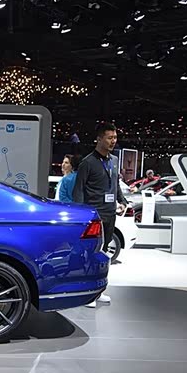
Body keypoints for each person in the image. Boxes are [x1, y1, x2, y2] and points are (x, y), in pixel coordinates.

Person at [73, 122, 127, 307]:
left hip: (110, 214)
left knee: (104, 254)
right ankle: (86, 293)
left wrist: (122, 200)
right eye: (110, 138)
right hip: (93, 216)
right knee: (90, 254)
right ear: (99, 139)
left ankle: (98, 290)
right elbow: (78, 190)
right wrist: (81, 216)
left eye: (115, 137)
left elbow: (115, 184)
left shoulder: (114, 161)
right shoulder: (87, 163)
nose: (113, 141)